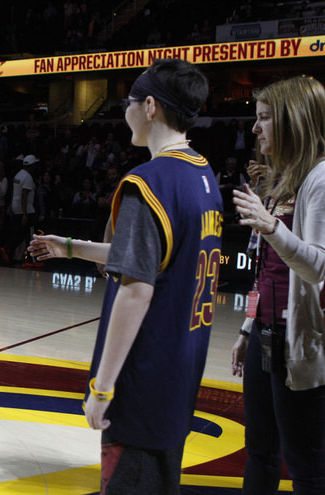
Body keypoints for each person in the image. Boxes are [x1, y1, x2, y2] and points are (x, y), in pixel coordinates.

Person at [28, 59, 220, 493]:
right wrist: (72, 248)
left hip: (142, 377)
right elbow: (151, 257)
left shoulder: (149, 182)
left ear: (150, 106)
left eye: (130, 102)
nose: (126, 110)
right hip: (179, 372)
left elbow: (137, 290)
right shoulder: (201, 175)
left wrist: (102, 386)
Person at [230, 75, 325, 494]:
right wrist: (247, 329)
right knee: (259, 452)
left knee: (305, 467)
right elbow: (264, 270)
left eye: (264, 118)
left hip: (299, 340)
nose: (255, 129)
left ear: (293, 120)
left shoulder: (320, 180)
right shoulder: (282, 180)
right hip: (265, 334)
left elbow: (320, 265)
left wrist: (272, 227)